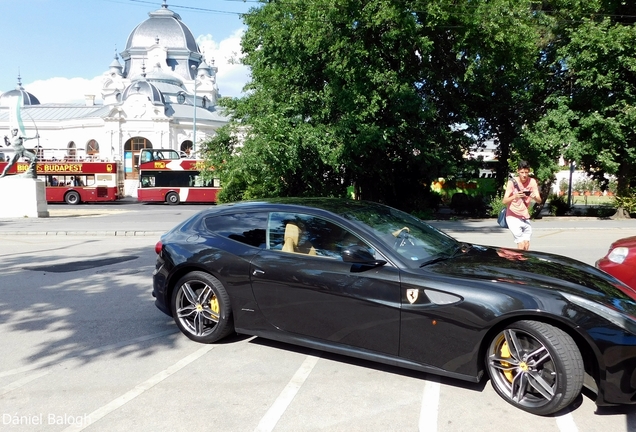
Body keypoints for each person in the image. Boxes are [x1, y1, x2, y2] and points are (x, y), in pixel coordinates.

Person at [502, 160, 542, 250]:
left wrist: (534, 197)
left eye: (526, 172)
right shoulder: (512, 182)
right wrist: (515, 196)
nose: (524, 175)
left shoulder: (532, 182)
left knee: (526, 244)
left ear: (529, 171)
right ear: (518, 171)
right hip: (512, 216)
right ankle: (519, 263)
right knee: (521, 243)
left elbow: (539, 200)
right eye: (522, 172)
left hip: (525, 217)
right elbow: (504, 201)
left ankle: (523, 262)